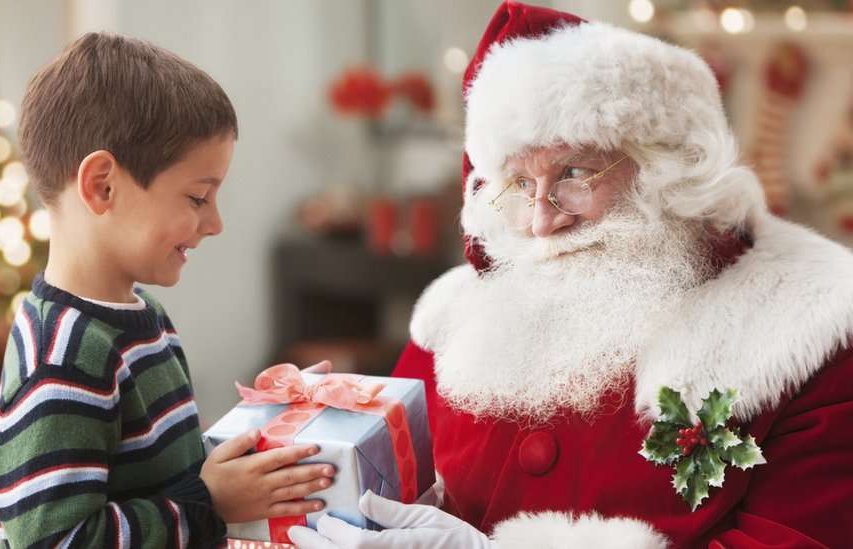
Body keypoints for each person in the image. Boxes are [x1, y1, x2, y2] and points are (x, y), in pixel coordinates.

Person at [288, 2, 853, 548]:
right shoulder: (454, 317)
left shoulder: (812, 329)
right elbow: (387, 482)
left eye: (574, 173)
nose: (541, 220)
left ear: (667, 170)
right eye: (519, 183)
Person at [0, 33, 335, 548]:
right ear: (102, 185)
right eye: (197, 197)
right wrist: (207, 504)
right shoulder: (64, 359)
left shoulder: (142, 317)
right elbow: (57, 540)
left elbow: (163, 469)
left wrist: (269, 419)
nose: (215, 223)